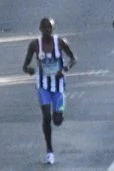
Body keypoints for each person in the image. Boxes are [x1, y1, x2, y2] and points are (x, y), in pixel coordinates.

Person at [23, 16, 76, 165]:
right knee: (46, 117)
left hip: (58, 85)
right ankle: (49, 151)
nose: (47, 30)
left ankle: (60, 111)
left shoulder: (60, 43)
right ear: (40, 29)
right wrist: (29, 70)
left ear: (54, 29)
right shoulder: (34, 45)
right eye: (45, 27)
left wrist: (65, 69)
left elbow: (73, 59)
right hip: (43, 85)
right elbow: (25, 66)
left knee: (56, 120)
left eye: (50, 27)